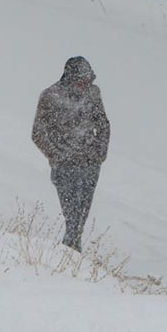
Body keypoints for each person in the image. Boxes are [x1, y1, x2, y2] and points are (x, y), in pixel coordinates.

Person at [32, 56, 110, 251]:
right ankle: (70, 249)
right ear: (69, 78)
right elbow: (38, 133)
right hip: (65, 166)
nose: (85, 85)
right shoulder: (50, 96)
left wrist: (100, 152)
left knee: (83, 210)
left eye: (87, 80)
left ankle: (73, 248)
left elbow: (103, 124)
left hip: (90, 162)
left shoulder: (93, 93)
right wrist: (57, 156)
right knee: (71, 212)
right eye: (81, 81)